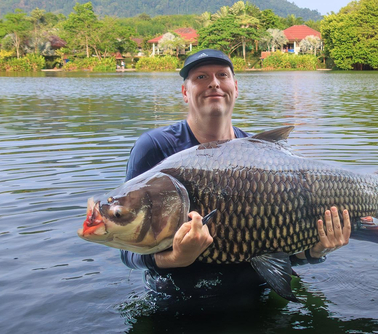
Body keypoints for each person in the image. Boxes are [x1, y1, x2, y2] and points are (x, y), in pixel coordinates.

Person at [120, 49, 351, 300]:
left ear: (235, 87)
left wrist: (315, 253)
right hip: (177, 303)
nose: (214, 83)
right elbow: (127, 250)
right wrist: (174, 258)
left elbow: (283, 252)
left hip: (256, 296)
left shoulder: (260, 154)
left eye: (222, 75)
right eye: (200, 77)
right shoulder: (155, 148)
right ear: (185, 92)